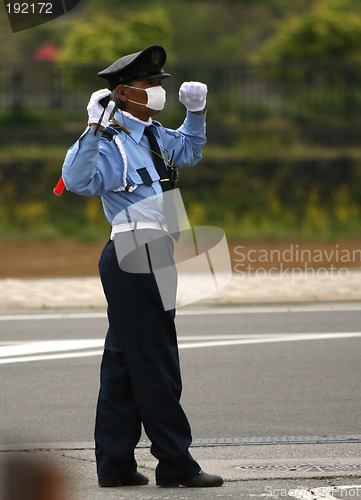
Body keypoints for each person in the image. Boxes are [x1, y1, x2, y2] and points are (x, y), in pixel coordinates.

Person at [61, 45, 224, 489]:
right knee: (156, 361)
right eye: (147, 85)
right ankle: (176, 462)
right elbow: (77, 181)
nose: (156, 92)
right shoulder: (111, 140)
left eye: (158, 84)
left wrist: (197, 112)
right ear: (121, 92)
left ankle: (114, 465)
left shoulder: (154, 135)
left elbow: (188, 152)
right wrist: (93, 125)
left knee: (123, 361)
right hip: (135, 251)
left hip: (157, 251)